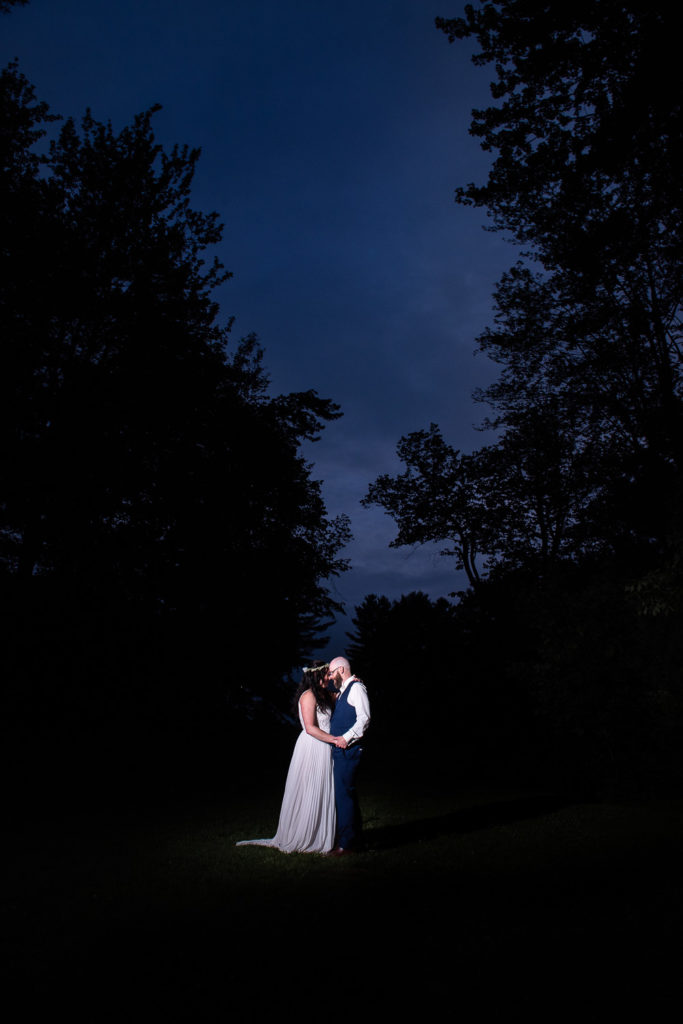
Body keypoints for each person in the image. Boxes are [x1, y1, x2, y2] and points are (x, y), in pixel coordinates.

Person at [236, 663, 345, 854]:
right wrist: (335, 740)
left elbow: (344, 695)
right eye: (326, 675)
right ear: (315, 676)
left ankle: (323, 833)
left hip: (325, 748)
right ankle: (306, 835)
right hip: (312, 747)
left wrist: (350, 683)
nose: (328, 678)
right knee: (310, 789)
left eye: (329, 675)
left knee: (322, 789)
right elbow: (310, 728)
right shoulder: (308, 696)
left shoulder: (326, 695)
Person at [326, 655, 370, 855]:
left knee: (344, 796)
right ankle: (354, 839)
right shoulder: (344, 690)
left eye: (332, 673)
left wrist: (346, 738)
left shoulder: (357, 689)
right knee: (346, 795)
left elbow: (365, 718)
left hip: (349, 750)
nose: (330, 678)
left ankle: (347, 844)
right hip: (342, 752)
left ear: (341, 670)